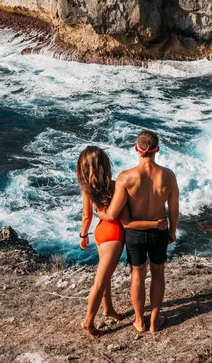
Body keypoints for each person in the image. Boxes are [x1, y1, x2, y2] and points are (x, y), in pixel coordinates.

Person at [77, 145, 168, 338]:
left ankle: (108, 308)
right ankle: (88, 322)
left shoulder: (87, 189)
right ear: (104, 165)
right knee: (100, 280)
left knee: (105, 274)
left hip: (100, 232)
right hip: (114, 235)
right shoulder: (114, 184)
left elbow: (87, 216)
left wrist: (83, 235)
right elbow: (121, 215)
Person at [97, 130, 179, 333]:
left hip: (134, 233)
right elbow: (174, 208)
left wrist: (99, 213)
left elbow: (113, 213)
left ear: (137, 149)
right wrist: (172, 231)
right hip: (159, 229)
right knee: (158, 272)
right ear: (157, 149)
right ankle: (154, 321)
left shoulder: (125, 178)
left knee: (137, 273)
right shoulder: (168, 176)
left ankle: (139, 321)